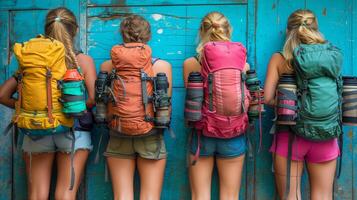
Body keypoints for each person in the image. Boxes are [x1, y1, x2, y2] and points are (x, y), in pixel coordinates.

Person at [0, 7, 96, 200]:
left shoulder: (32, 61)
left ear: (47, 29)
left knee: (36, 195)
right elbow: (93, 99)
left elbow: (2, 95)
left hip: (37, 128)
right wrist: (68, 110)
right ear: (75, 30)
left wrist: (28, 109)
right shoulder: (82, 60)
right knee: (65, 194)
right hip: (74, 132)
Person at [264, 9, 340, 200]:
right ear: (316, 29)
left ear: (288, 31)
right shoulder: (330, 56)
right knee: (323, 196)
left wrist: (290, 104)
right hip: (325, 134)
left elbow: (267, 98)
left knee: (290, 196)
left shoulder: (280, 59)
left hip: (289, 137)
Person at [100, 14, 172, 200]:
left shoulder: (108, 65)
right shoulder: (162, 65)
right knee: (150, 196)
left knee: (122, 196)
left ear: (123, 35)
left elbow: (103, 101)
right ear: (148, 36)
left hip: (118, 131)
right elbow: (165, 106)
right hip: (151, 134)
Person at [183, 12, 249, 200]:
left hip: (202, 133)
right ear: (229, 30)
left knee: (199, 195)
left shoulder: (191, 63)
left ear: (202, 31)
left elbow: (192, 98)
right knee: (230, 195)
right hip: (233, 132)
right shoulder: (242, 65)